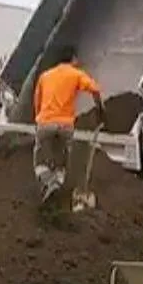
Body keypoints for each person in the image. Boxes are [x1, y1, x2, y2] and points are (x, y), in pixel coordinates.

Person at [33, 45, 104, 204]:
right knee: (62, 159)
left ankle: (47, 182)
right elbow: (95, 89)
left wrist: (38, 119)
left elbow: (37, 101)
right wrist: (100, 109)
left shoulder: (45, 76)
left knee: (40, 159)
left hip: (45, 123)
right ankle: (56, 183)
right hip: (65, 126)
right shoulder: (76, 74)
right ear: (73, 59)